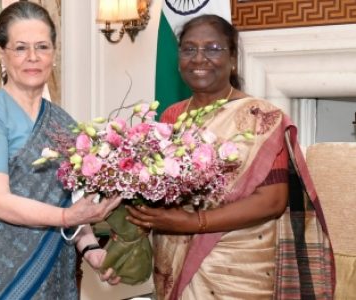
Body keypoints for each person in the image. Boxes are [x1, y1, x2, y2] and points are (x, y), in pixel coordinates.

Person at [126, 14, 335, 299]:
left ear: (233, 58)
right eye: (189, 49)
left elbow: (273, 201)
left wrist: (194, 223)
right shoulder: (171, 116)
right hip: (173, 256)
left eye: (213, 49)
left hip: (239, 265)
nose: (199, 58)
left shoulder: (261, 118)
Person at [0, 2, 121, 299]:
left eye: (42, 47)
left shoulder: (63, 123)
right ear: (2, 54)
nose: (32, 57)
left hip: (51, 266)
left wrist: (92, 250)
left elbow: (73, 200)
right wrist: (67, 218)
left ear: (53, 54)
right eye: (20, 48)